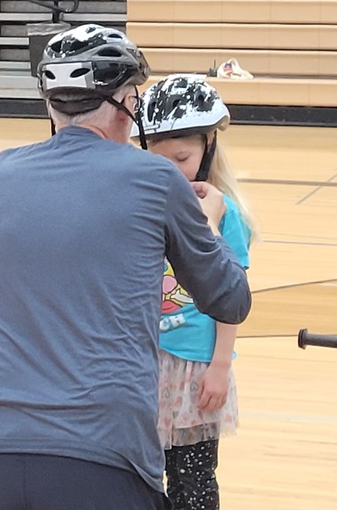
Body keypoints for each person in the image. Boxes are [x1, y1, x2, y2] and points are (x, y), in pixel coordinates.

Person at [0, 24, 252, 510]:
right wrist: (209, 224)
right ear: (127, 104)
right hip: (100, 452)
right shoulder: (155, 179)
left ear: (50, 104)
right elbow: (230, 298)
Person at [138, 74, 255, 510]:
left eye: (182, 158)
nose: (170, 170)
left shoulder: (223, 216)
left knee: (193, 481)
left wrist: (220, 366)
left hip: (195, 371)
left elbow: (232, 298)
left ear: (208, 149)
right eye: (157, 159)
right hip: (143, 365)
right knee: (141, 477)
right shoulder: (141, 205)